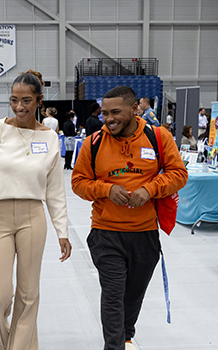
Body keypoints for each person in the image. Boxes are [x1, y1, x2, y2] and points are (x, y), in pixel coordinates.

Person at [0, 69, 71, 350]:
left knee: (28, 293)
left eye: (26, 101)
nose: (19, 107)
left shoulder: (49, 137)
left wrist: (63, 231)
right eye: (14, 100)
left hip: (33, 216)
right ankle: (5, 343)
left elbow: (55, 189)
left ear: (39, 101)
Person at [72, 86, 187, 350]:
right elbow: (78, 182)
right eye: (104, 113)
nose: (109, 119)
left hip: (145, 234)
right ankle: (115, 346)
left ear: (135, 109)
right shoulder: (93, 143)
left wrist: (150, 190)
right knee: (113, 295)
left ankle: (125, 336)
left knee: (133, 296)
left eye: (115, 112)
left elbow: (178, 174)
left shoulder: (158, 137)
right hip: (106, 233)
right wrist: (106, 189)